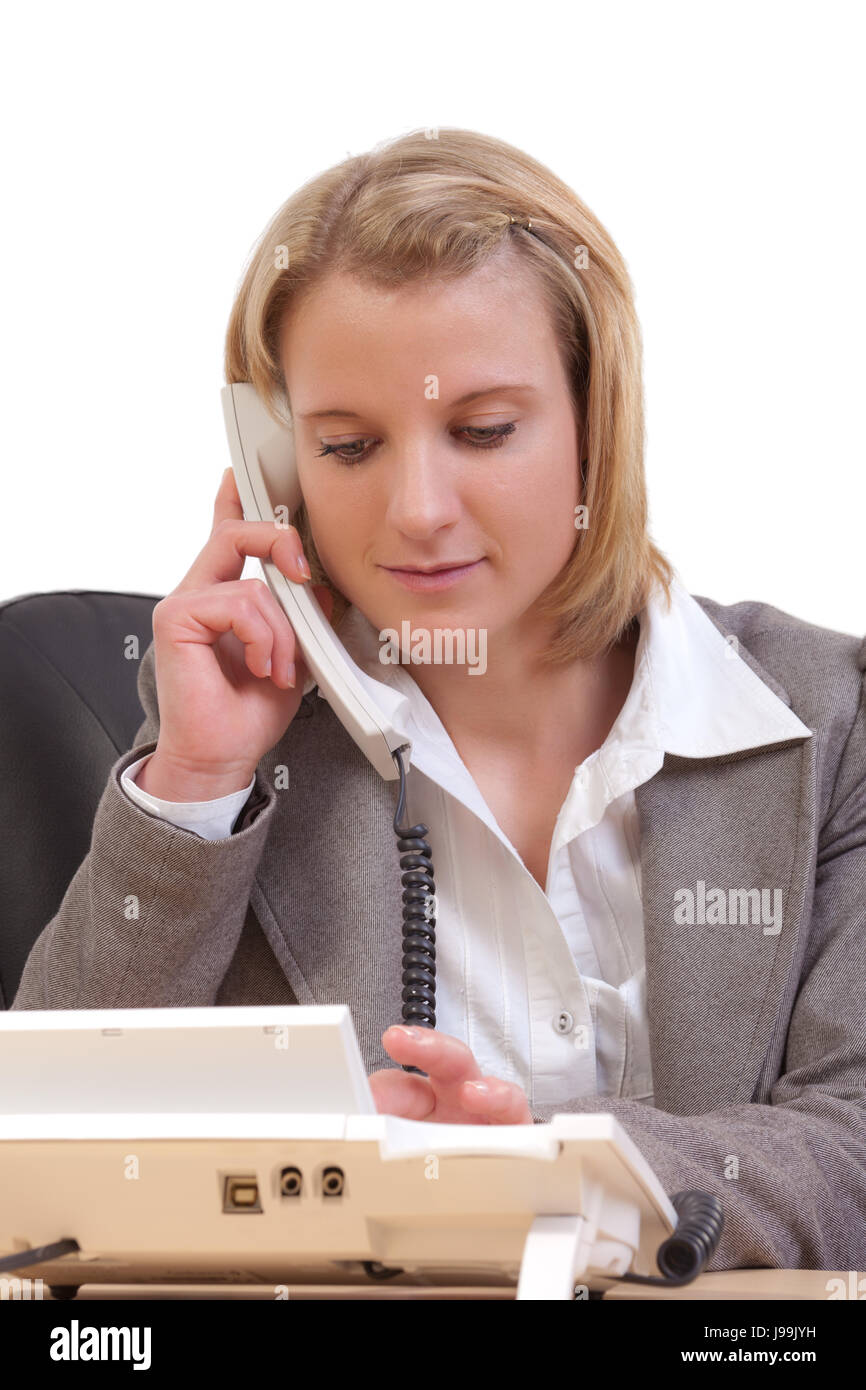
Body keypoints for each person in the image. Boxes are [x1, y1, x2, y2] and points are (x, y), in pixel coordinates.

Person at [12, 128, 866, 1273]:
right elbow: (51, 1168)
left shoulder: (825, 721)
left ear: (595, 423)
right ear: (274, 464)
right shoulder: (233, 733)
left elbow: (850, 1139)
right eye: (347, 444)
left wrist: (551, 1170)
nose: (415, 508)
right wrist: (193, 790)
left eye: (482, 431)